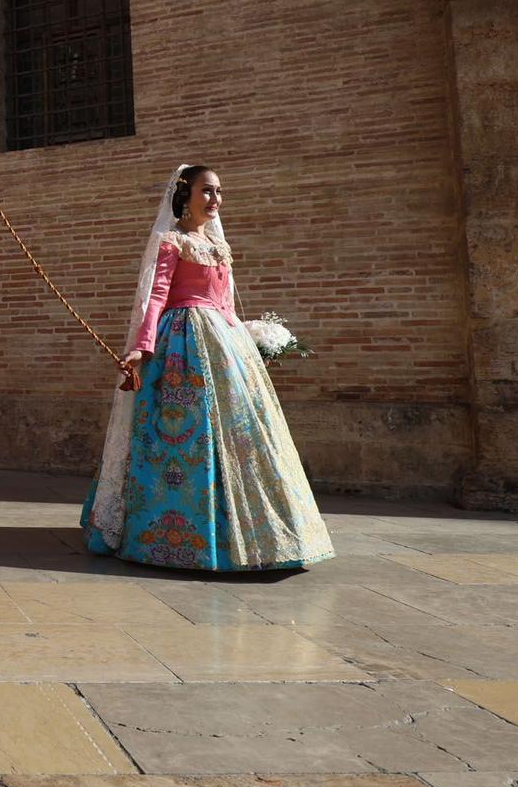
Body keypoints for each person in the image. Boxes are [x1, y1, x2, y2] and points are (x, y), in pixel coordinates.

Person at [82, 164, 333, 570]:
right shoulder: (172, 242)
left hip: (226, 345)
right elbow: (156, 297)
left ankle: (264, 533)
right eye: (207, 191)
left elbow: (226, 303)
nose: (215, 199)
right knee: (187, 436)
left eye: (219, 192)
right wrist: (142, 349)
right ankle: (174, 534)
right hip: (182, 345)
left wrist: (246, 342)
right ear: (186, 195)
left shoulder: (219, 247)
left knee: (245, 435)